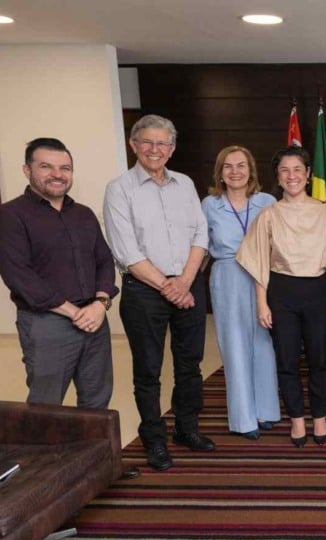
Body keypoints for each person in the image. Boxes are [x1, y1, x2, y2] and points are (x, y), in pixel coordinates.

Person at [104, 114, 214, 472]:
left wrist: (184, 282)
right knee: (148, 370)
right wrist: (170, 287)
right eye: (148, 142)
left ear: (172, 148)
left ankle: (187, 429)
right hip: (144, 291)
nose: (156, 149)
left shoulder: (185, 184)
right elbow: (127, 250)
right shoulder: (119, 188)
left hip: (188, 284)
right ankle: (154, 439)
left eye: (163, 143)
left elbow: (201, 235)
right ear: (134, 145)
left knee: (190, 365)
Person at [0, 137, 119, 410]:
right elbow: (20, 277)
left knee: (97, 401)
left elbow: (105, 262)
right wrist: (75, 313)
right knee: (46, 406)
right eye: (46, 166)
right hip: (46, 323)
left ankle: (93, 455)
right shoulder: (9, 216)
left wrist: (100, 304)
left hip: (94, 320)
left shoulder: (83, 215)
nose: (57, 175)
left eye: (65, 168)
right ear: (28, 170)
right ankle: (45, 455)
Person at [236, 146, 326, 448]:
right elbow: (259, 261)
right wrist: (262, 302)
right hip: (281, 292)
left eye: (297, 169)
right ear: (278, 177)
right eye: (284, 170)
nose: (291, 176)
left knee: (319, 358)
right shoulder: (268, 215)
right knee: (286, 359)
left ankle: (320, 417)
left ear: (308, 174)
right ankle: (297, 419)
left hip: (318, 290)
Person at [201, 145, 280, 440]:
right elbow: (200, 246)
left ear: (251, 170)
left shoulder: (267, 201)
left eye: (241, 165)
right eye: (228, 166)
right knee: (234, 345)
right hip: (228, 275)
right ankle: (243, 418)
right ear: (220, 173)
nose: (235, 171)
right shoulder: (209, 205)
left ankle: (266, 411)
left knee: (263, 342)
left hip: (263, 276)